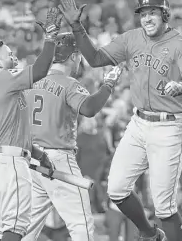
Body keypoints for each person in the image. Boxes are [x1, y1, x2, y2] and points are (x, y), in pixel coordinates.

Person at [59, 0, 182, 241]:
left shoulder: (180, 44)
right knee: (116, 190)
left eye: (153, 13)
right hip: (138, 122)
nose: (147, 18)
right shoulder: (131, 38)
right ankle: (149, 233)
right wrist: (76, 26)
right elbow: (94, 59)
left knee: (164, 205)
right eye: (143, 13)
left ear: (165, 14)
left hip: (168, 126)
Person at [22, 32, 123, 241]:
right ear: (74, 56)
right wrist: (108, 85)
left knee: (28, 227)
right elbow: (89, 108)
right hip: (57, 160)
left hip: (30, 160)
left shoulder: (31, 81)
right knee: (81, 224)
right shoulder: (68, 83)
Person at [0, 7, 61, 241]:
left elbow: (7, 131)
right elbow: (42, 69)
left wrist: (37, 153)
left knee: (4, 231)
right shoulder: (5, 78)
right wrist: (50, 39)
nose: (12, 54)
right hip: (11, 163)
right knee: (15, 230)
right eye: (7, 53)